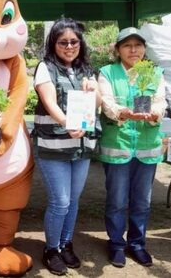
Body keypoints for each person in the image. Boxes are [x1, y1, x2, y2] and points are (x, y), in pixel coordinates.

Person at [32, 17, 101, 275]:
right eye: (63, 42)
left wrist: (94, 89)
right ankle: (51, 249)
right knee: (60, 201)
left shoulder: (86, 69)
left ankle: (65, 243)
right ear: (54, 44)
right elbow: (49, 101)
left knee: (73, 200)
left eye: (74, 41)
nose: (70, 46)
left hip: (80, 147)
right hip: (54, 146)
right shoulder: (45, 67)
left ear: (80, 44)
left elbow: (97, 104)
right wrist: (66, 122)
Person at [96, 27, 167, 268]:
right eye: (127, 45)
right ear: (118, 50)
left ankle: (137, 243)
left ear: (145, 49)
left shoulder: (155, 72)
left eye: (138, 45)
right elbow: (106, 101)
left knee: (142, 202)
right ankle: (116, 243)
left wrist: (154, 114)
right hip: (118, 146)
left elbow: (160, 102)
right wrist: (121, 113)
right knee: (117, 200)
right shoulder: (108, 72)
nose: (133, 50)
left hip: (146, 147)